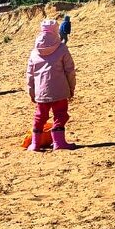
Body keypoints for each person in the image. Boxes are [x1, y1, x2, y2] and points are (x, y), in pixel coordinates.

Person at [26, 19, 78, 151]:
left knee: (39, 116)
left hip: (41, 92)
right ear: (56, 30)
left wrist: (31, 92)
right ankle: (58, 142)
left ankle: (35, 144)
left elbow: (30, 74)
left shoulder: (34, 52)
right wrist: (71, 88)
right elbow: (70, 70)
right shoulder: (62, 48)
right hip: (60, 90)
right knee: (60, 114)